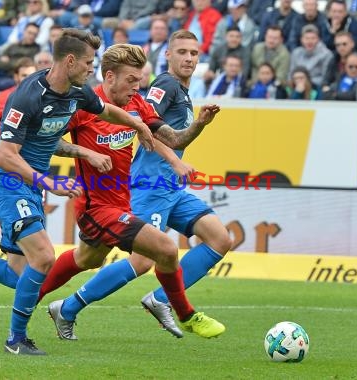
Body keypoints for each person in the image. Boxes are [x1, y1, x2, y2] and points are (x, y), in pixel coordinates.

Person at [0, 28, 156, 356]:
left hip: (30, 186)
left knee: (17, 275)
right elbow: (4, 156)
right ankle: (16, 340)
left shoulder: (78, 92)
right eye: (89, 62)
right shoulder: (28, 96)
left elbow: (106, 112)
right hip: (8, 184)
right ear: (70, 61)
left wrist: (135, 126)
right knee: (44, 257)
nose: (92, 69)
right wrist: (47, 182)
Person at [40, 32, 230, 340]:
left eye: (195, 53)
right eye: (182, 51)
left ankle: (160, 299)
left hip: (165, 189)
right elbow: (49, 137)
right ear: (166, 55)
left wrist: (198, 124)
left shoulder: (164, 95)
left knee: (219, 238)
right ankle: (62, 305)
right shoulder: (162, 87)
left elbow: (165, 132)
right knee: (145, 257)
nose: (190, 58)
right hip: (145, 187)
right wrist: (174, 162)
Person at [0, 57, 37, 256]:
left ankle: (19, 256)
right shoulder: (6, 96)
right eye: (23, 75)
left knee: (31, 209)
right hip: (10, 162)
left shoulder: (41, 97)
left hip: (33, 163)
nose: (27, 79)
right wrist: (6, 132)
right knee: (6, 214)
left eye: (31, 75)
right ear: (15, 77)